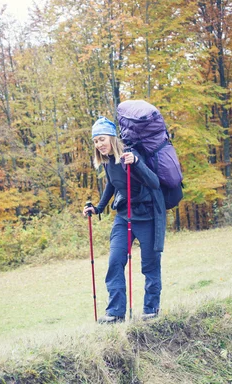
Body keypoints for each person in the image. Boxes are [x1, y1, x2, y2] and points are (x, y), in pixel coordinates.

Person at [83, 116, 167, 324]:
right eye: (95, 141)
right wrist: (98, 208)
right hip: (123, 216)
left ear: (112, 137)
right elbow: (112, 184)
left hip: (147, 216)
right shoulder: (108, 161)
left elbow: (154, 183)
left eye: (102, 139)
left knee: (149, 266)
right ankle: (115, 313)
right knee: (115, 262)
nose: (99, 144)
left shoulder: (131, 154)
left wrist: (136, 163)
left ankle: (150, 310)